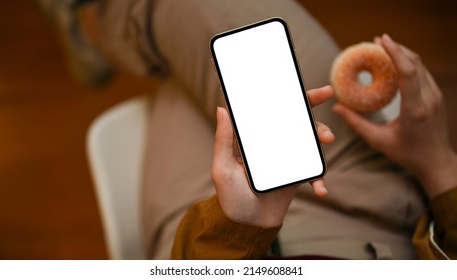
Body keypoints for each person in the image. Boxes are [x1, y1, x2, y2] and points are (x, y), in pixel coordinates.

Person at [38, 0, 456, 259]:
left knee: (185, 81)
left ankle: (95, 23)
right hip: (377, 230)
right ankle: (105, 26)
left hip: (217, 254)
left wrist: (235, 233)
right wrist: (437, 163)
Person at [171, 34, 457, 260]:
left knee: (173, 95)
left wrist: (235, 231)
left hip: (261, 236)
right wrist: (438, 165)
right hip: (407, 227)